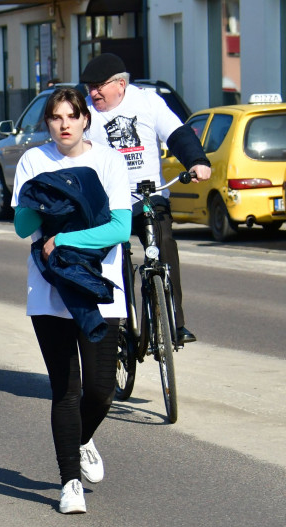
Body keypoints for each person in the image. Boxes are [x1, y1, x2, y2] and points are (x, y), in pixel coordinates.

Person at [11, 87, 132, 514]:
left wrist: (63, 236)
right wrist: (35, 199)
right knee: (65, 389)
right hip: (49, 290)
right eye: (55, 118)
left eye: (71, 116)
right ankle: (69, 483)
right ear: (48, 123)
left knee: (100, 391)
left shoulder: (109, 161)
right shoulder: (33, 161)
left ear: (85, 120)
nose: (64, 124)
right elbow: (23, 226)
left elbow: (119, 228)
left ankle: (81, 439)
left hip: (100, 289)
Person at [80, 53, 210, 344]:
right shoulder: (86, 112)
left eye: (99, 86)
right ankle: (117, 325)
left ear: (121, 85)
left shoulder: (148, 102)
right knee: (115, 261)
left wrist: (196, 160)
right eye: (90, 87)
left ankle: (174, 322)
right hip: (110, 202)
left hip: (150, 196)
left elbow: (177, 134)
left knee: (164, 247)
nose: (94, 92)